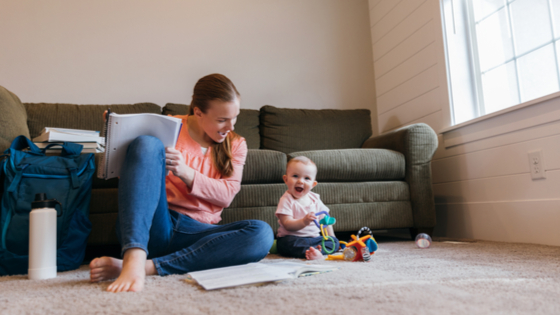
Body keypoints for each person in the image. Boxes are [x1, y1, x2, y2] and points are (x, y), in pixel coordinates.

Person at [89, 73, 273, 292]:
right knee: (146, 144)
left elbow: (227, 195)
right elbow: (134, 184)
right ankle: (134, 255)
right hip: (156, 225)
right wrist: (119, 140)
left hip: (197, 236)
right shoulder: (168, 128)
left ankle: (145, 267)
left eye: (235, 118)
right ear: (198, 112)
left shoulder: (236, 144)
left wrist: (185, 172)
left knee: (261, 233)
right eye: (222, 120)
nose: (230, 127)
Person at [275, 156, 339, 260]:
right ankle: (311, 252)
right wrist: (304, 221)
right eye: (295, 176)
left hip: (314, 239)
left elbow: (326, 220)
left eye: (307, 178)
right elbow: (287, 224)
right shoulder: (286, 200)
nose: (300, 181)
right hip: (293, 239)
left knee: (334, 242)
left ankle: (317, 251)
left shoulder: (315, 198)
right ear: (286, 179)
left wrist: (331, 237)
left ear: (313, 184)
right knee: (285, 245)